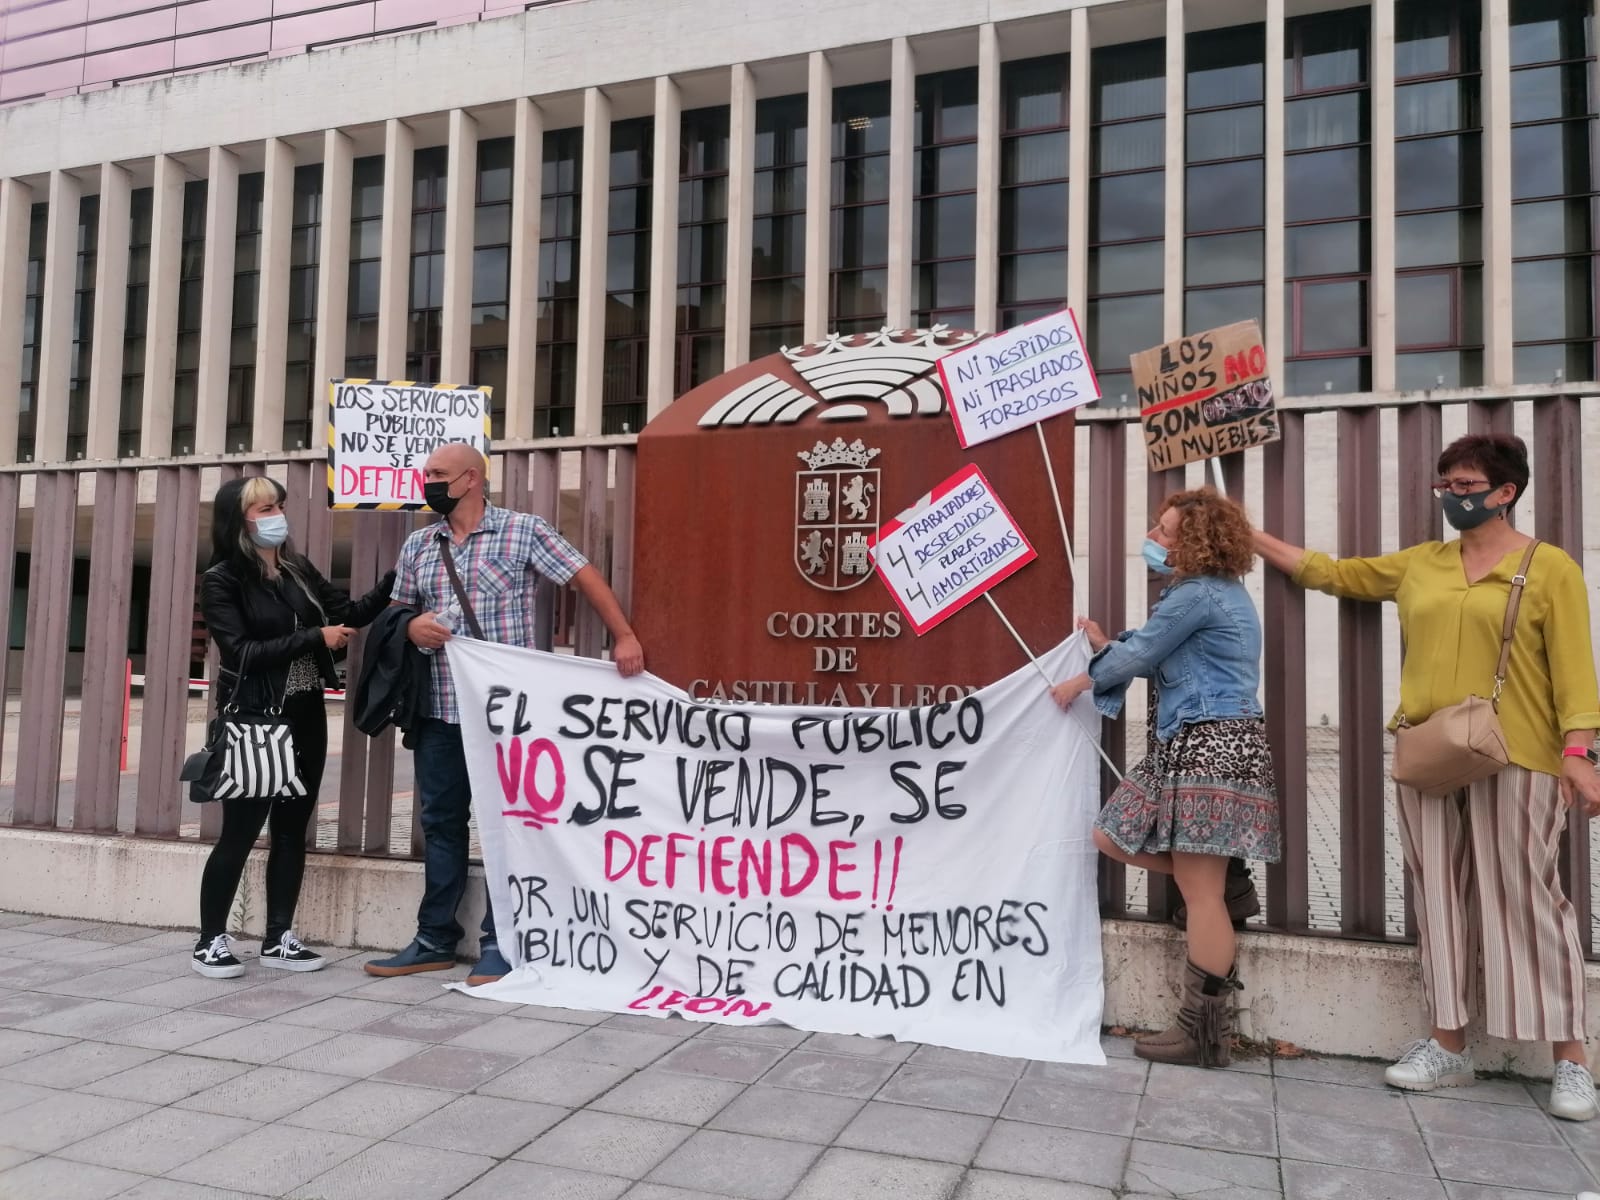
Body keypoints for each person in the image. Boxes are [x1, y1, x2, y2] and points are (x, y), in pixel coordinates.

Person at [1255, 433, 1600, 1121]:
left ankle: (1572, 1059)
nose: (1452, 496)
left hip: (1521, 753)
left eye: (1466, 485)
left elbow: (1574, 665)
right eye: (1446, 484)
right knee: (1437, 895)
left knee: (1531, 897)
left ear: (1506, 492)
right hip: (1430, 753)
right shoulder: (1424, 563)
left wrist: (1579, 752)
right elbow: (1336, 573)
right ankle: (1449, 1044)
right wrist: (1255, 537)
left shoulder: (1548, 566)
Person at [364, 442, 645, 985]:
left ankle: (504, 941)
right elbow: (397, 611)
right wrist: (412, 627)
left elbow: (583, 576)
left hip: (507, 718)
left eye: (438, 474)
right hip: (440, 710)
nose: (428, 483)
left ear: (472, 479)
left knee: (510, 825)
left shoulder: (523, 531)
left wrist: (625, 636)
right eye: (426, 474)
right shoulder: (422, 543)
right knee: (440, 823)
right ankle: (433, 939)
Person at [1051, 486, 1280, 1068]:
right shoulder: (1204, 595)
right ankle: (1229, 883)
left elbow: (1143, 653)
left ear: (1195, 542)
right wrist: (1110, 647)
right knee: (1111, 834)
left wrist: (1082, 679)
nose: (1153, 539)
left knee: (1198, 895)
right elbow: (1151, 651)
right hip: (1190, 743)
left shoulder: (1198, 595)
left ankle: (1202, 1033)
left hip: (1211, 746)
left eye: (1165, 531)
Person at [194, 476, 393, 978]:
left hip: (304, 714)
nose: (277, 514)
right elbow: (241, 653)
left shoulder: (295, 569)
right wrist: (313, 638)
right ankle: (210, 939)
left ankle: (278, 936)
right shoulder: (222, 578)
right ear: (239, 519)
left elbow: (348, 612)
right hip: (257, 717)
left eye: (279, 504)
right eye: (265, 507)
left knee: (290, 832)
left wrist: (399, 575)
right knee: (239, 831)